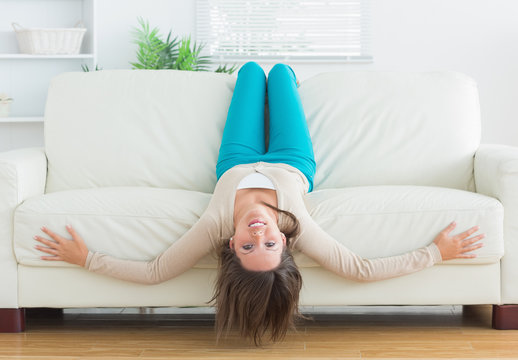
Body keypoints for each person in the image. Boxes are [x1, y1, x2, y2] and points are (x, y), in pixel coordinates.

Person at [34, 62, 485, 345]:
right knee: (281, 73)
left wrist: (85, 257)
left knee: (251, 72)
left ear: (231, 247)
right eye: (269, 244)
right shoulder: (298, 225)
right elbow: (362, 270)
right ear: (285, 245)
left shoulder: (216, 226)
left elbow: (154, 273)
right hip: (292, 159)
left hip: (235, 159)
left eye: (248, 247)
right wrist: (437, 252)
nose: (257, 235)